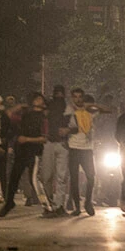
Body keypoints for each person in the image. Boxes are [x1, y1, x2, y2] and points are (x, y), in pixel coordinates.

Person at [0, 93, 47, 217]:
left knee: (34, 180)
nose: (38, 101)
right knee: (14, 178)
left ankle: (48, 205)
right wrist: (19, 106)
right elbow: (8, 114)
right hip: (21, 151)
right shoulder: (25, 114)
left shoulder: (44, 116)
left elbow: (44, 138)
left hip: (34, 152)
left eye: (40, 99)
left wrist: (27, 139)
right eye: (36, 99)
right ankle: (9, 202)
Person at [65, 88, 107, 216]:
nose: (78, 99)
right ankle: (77, 206)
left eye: (80, 97)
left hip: (87, 148)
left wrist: (91, 105)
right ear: (72, 98)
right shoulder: (69, 111)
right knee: (74, 178)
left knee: (91, 177)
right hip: (73, 147)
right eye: (75, 97)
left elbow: (107, 109)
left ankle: (88, 201)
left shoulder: (89, 112)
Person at [40, 86, 70, 218]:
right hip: (49, 143)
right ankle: (49, 205)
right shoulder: (47, 108)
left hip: (61, 144)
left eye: (60, 94)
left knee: (61, 177)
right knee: (47, 176)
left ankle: (58, 206)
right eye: (57, 94)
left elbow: (73, 125)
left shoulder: (68, 108)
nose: (59, 96)